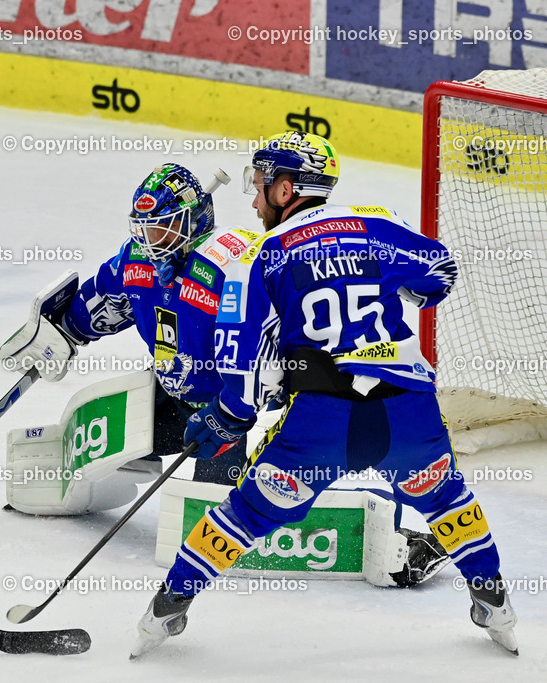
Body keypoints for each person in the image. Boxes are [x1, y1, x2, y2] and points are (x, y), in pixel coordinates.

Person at [131, 131, 519, 658]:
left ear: (287, 189)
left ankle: (165, 611)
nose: (253, 198)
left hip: (319, 428)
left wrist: (226, 418)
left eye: (260, 184)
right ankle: (494, 603)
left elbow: (242, 363)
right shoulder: (380, 222)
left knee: (245, 513)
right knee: (448, 499)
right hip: (408, 416)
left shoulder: (260, 256)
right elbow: (439, 271)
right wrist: (394, 292)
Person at [0, 163, 247, 485]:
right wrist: (62, 330)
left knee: (217, 508)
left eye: (162, 230)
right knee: (103, 436)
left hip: (235, 412)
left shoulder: (229, 263)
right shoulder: (138, 260)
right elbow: (103, 299)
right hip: (175, 398)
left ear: (196, 219)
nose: (151, 242)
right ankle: (128, 463)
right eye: (145, 229)